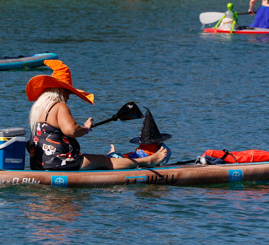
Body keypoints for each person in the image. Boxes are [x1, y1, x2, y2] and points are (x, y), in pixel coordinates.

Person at [26, 60, 168, 171]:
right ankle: (149, 160)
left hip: (40, 162)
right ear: (61, 91)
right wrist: (86, 129)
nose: (68, 97)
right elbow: (72, 131)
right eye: (68, 93)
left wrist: (84, 127)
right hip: (60, 162)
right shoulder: (59, 106)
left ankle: (112, 158)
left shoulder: (39, 109)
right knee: (104, 161)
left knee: (97, 159)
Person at [108, 109, 172, 166]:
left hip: (136, 156)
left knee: (123, 157)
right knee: (124, 158)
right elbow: (167, 153)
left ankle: (113, 155)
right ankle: (113, 155)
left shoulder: (144, 150)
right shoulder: (163, 149)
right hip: (140, 157)